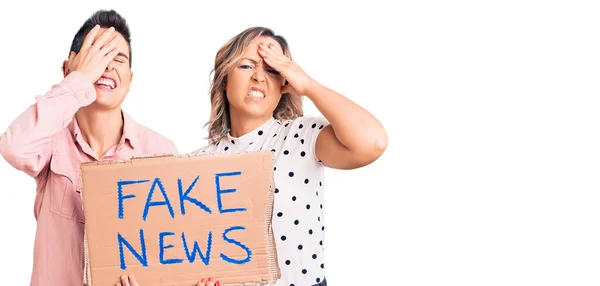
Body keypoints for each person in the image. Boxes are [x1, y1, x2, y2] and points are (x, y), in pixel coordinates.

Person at [194, 26, 388, 286]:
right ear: (224, 78)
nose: (259, 78)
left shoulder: (302, 136)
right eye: (246, 66)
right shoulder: (197, 163)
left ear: (284, 83)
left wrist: (308, 85)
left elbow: (372, 142)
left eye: (273, 69)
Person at [0, 10, 178, 286]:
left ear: (129, 80)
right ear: (69, 68)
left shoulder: (160, 151)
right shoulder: (49, 139)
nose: (107, 66)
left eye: (118, 58)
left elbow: (170, 249)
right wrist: (79, 81)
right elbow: (13, 147)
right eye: (97, 56)